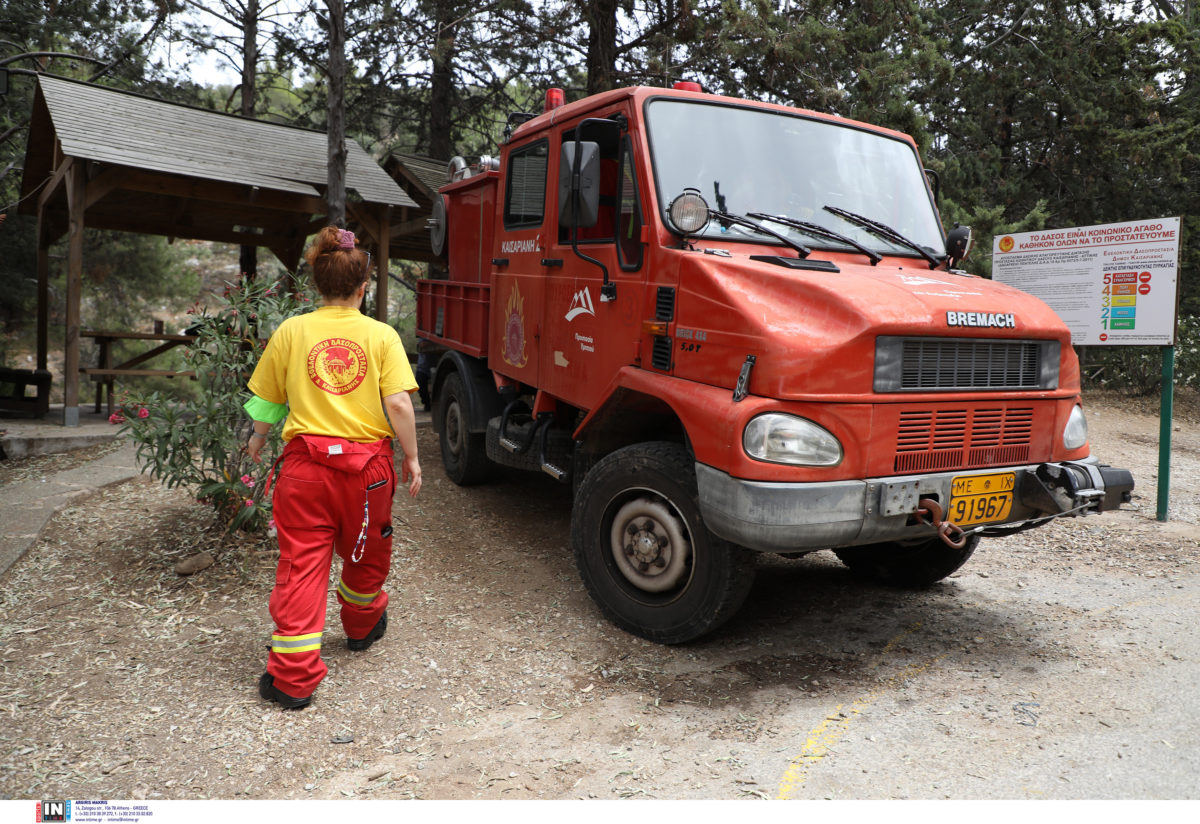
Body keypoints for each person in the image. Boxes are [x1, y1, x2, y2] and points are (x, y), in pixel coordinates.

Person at [244, 226, 422, 710]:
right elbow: (401, 404)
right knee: (367, 553)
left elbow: (267, 399)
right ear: (364, 287)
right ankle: (362, 628)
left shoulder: (291, 331)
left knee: (302, 565)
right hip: (369, 475)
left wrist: (258, 441)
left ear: (316, 285)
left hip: (304, 471)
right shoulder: (381, 335)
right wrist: (411, 456)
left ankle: (292, 678)